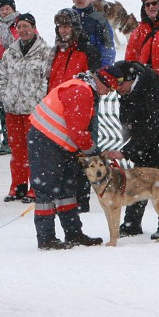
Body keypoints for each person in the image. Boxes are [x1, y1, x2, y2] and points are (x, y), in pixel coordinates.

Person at [27, 70, 112, 249]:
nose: (109, 93)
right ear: (101, 83)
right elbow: (78, 131)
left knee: (66, 188)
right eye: (109, 88)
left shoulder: (82, 88)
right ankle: (46, 238)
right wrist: (93, 151)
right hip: (46, 141)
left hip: (57, 143)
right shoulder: (82, 92)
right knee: (46, 189)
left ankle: (73, 233)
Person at [107, 61, 159, 239]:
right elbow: (130, 123)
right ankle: (131, 224)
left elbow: (150, 128)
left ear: (131, 79)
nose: (117, 89)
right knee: (137, 178)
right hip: (144, 140)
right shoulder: (127, 92)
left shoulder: (153, 92)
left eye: (119, 84)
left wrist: (127, 151)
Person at [0, 12, 51, 203]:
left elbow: (47, 79)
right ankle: (18, 187)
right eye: (19, 27)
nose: (23, 30)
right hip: (12, 109)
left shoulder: (45, 51)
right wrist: (4, 96)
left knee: (34, 151)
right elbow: (1, 76)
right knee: (16, 150)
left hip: (33, 111)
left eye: (26, 26)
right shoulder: (10, 52)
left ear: (34, 28)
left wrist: (38, 100)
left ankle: (35, 187)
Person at [48, 8, 101, 91]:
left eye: (66, 26)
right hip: (54, 101)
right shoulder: (55, 51)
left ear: (75, 28)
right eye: (60, 27)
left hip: (77, 101)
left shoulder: (88, 51)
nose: (62, 30)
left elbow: (95, 85)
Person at [71, 0, 116, 67]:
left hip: (92, 69)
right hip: (70, 69)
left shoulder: (100, 20)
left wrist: (102, 71)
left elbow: (108, 47)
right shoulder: (67, 18)